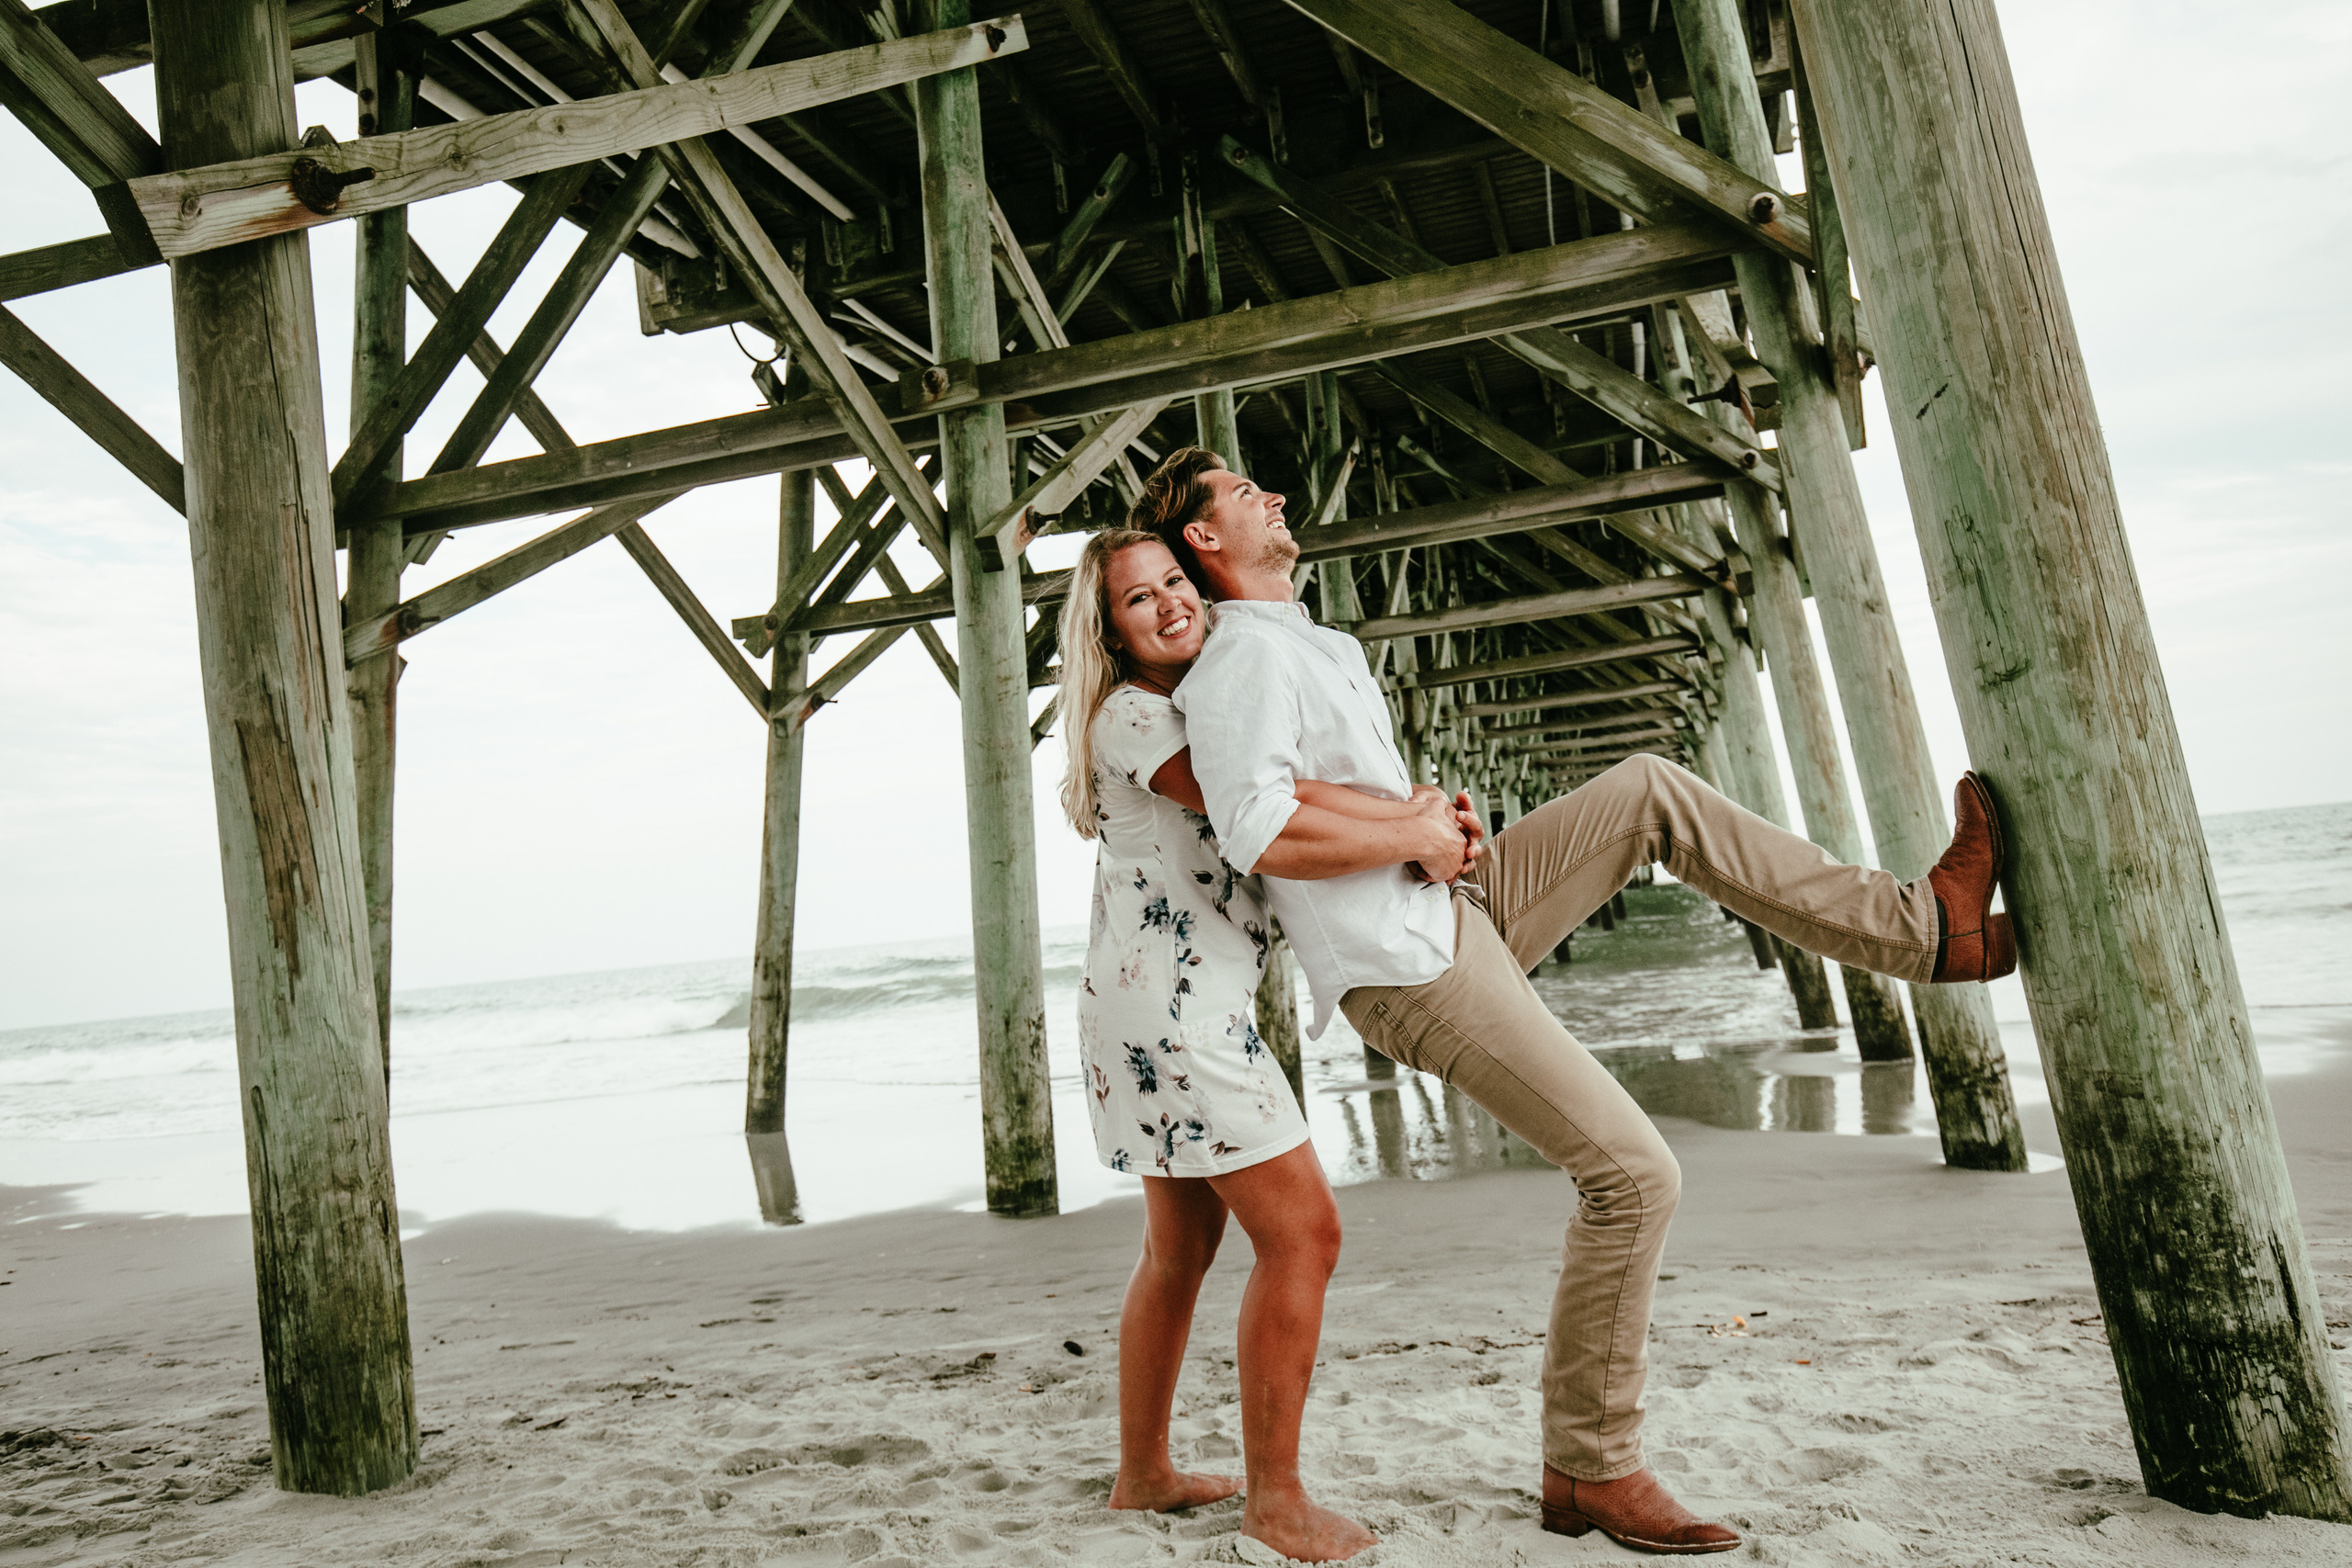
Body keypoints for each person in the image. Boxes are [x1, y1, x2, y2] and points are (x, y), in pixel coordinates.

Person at [1140, 446, 2016, 1557]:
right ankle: (1590, 1469)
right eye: (1240, 491)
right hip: (1409, 969)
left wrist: (1427, 818)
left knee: (1648, 788)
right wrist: (1406, 832)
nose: (1269, 493)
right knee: (1633, 1177)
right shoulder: (1236, 666)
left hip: (1453, 904)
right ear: (1206, 541)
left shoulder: (1307, 641)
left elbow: (1331, 801)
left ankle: (1927, 929)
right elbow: (1258, 829)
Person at [1057, 528, 1476, 1562]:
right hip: (1177, 1016)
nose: (1165, 605)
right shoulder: (1134, 714)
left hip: (1157, 1006)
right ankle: (1275, 1501)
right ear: (1107, 633)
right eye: (1134, 600)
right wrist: (1414, 821)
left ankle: (1145, 1474)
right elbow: (1260, 802)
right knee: (1305, 1236)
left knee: (1181, 1247)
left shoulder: (1199, 698)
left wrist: (1413, 820)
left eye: (1172, 584)